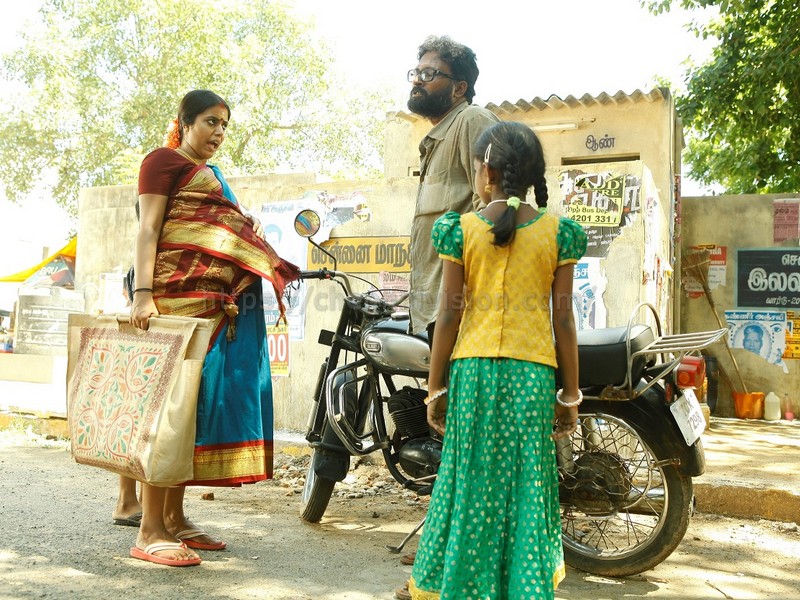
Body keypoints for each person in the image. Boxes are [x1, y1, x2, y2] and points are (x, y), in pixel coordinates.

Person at [407, 121, 587, 599]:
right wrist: (570, 394)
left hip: (474, 372)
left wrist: (435, 387)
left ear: (486, 172)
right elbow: (564, 320)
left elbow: (449, 313)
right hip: (532, 375)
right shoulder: (558, 233)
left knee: (470, 482)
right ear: (530, 174)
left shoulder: (461, 229)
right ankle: (520, 587)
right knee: (526, 483)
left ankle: (465, 587)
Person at [128, 89, 299, 566]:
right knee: (169, 413)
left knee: (194, 413)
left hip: (214, 308)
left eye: (224, 125)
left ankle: (175, 518)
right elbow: (149, 229)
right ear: (184, 123)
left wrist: (246, 227)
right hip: (172, 303)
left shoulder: (215, 177)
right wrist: (143, 294)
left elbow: (222, 231)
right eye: (209, 121)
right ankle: (149, 528)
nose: (218, 132)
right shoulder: (162, 162)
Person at [407, 35, 500, 339]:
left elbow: (495, 212)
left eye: (429, 74)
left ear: (459, 88)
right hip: (436, 312)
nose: (417, 80)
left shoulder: (472, 120)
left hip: (463, 313)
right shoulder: (436, 140)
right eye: (416, 73)